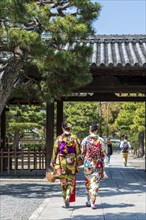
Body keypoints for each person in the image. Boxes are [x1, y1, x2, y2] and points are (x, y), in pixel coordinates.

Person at [51, 121, 81, 208]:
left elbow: (55, 151)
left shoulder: (59, 138)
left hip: (62, 161)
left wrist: (52, 161)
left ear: (62, 128)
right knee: (71, 181)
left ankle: (65, 199)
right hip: (72, 161)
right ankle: (68, 195)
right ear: (70, 128)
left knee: (63, 182)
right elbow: (78, 151)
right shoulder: (74, 138)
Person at [81, 123, 106, 209]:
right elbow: (103, 153)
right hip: (97, 163)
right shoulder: (101, 140)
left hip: (87, 162)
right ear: (96, 130)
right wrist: (102, 162)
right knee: (95, 182)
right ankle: (93, 202)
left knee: (88, 181)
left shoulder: (85, 140)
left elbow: (82, 151)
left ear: (89, 130)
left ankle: (88, 200)